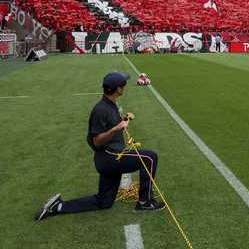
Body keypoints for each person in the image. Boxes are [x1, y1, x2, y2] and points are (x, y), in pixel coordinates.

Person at [34, 72, 165, 221]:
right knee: (149, 157)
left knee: (104, 202)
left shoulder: (110, 105)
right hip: (109, 157)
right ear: (118, 89)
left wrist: (124, 119)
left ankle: (57, 207)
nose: (125, 86)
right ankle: (145, 202)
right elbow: (97, 141)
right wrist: (117, 128)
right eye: (124, 84)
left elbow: (110, 126)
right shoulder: (101, 109)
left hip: (108, 158)